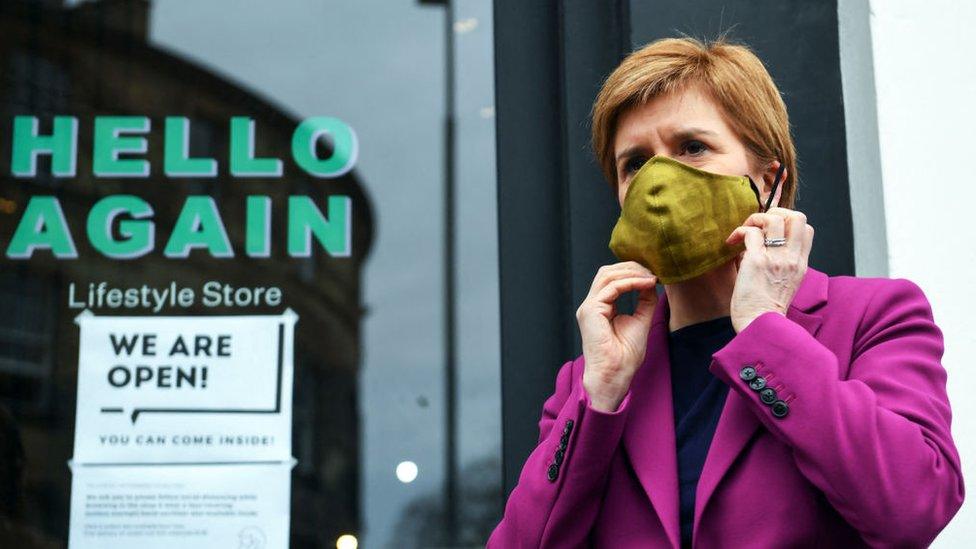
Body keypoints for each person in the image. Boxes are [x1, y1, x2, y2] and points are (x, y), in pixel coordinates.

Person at [486, 36, 964, 548]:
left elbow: (915, 505)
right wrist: (600, 397)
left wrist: (765, 329)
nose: (659, 181)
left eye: (692, 147)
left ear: (769, 178)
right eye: (635, 164)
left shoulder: (873, 316)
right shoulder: (591, 378)